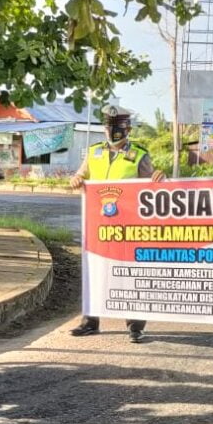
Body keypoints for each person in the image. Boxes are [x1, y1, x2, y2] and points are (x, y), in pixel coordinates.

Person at [69, 105, 164, 343]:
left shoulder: (140, 155)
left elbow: (152, 188)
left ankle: (135, 326)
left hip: (129, 227)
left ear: (128, 129)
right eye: (109, 127)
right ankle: (90, 321)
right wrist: (76, 178)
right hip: (98, 226)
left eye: (118, 128)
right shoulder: (94, 152)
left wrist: (159, 179)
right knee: (95, 271)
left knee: (130, 275)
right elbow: (80, 176)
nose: (112, 132)